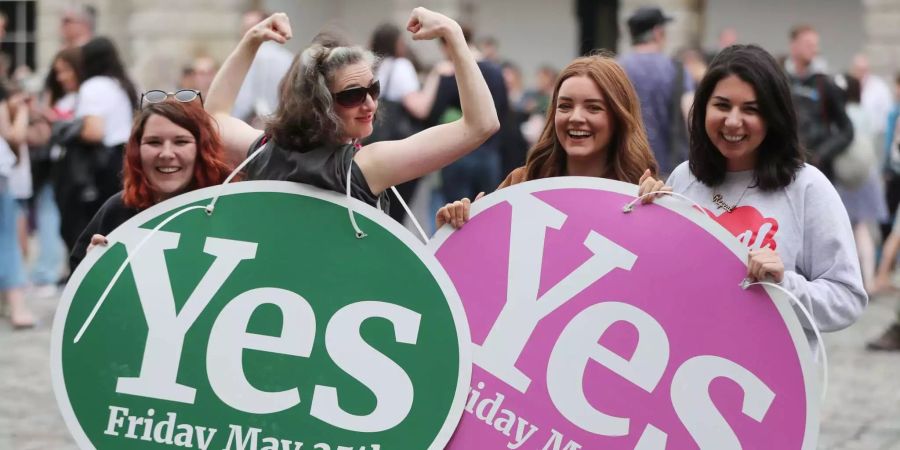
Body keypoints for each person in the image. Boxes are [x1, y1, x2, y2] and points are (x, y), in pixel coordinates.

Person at [638, 45, 866, 349]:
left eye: (751, 109)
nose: (733, 121)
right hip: (687, 370)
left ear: (774, 117)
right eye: (722, 105)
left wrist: (784, 286)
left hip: (770, 385)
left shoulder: (808, 187)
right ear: (703, 108)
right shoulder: (684, 177)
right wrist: (647, 221)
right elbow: (663, 283)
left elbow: (847, 299)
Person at [204, 9, 499, 210]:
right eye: (352, 95)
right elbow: (480, 125)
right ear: (318, 104)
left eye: (374, 89)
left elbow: (215, 115)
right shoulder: (366, 166)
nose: (370, 103)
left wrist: (252, 39)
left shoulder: (263, 151)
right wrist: (453, 33)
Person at [436, 53, 659, 229]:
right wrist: (459, 226)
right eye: (565, 106)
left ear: (618, 117)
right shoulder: (522, 182)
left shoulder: (640, 193)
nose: (576, 118)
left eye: (593, 108)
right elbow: (485, 263)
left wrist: (661, 211)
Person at [70, 97, 233, 270]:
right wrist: (91, 269)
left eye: (181, 142)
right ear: (136, 150)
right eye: (154, 142)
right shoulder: (118, 209)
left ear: (202, 149)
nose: (166, 154)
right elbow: (77, 286)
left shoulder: (230, 211)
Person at [56, 37, 138, 253]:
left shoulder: (93, 86)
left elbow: (94, 131)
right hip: (125, 155)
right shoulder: (122, 84)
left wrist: (67, 130)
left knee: (95, 222)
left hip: (102, 164)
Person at [620, 6, 693, 176]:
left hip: (625, 169)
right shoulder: (677, 69)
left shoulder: (617, 68)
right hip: (669, 172)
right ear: (658, 32)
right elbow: (691, 116)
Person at [784, 24, 853, 180]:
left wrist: (822, 154)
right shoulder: (780, 80)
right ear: (793, 46)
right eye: (808, 44)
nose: (814, 50)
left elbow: (847, 130)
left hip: (819, 171)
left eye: (815, 45)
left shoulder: (826, 83)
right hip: (786, 167)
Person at [231, 8, 294, 125]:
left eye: (251, 28)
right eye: (244, 28)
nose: (246, 33)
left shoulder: (250, 58)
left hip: (254, 127)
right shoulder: (289, 58)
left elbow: (244, 102)